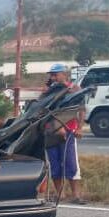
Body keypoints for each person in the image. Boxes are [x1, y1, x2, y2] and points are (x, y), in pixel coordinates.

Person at [45, 63, 85, 204]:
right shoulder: (49, 91)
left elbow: (81, 109)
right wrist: (55, 127)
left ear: (64, 74)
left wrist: (79, 128)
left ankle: (76, 195)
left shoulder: (74, 89)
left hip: (68, 131)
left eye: (56, 74)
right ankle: (59, 194)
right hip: (51, 133)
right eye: (52, 75)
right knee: (55, 164)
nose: (53, 77)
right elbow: (45, 112)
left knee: (71, 163)